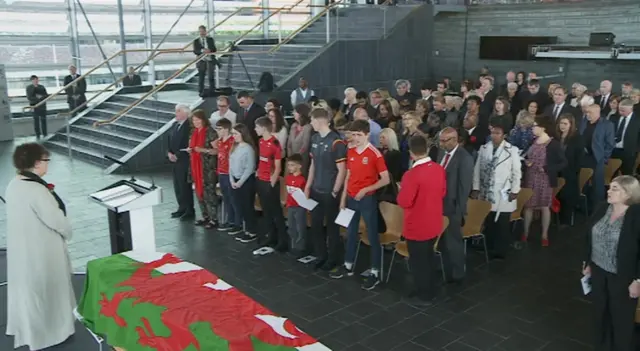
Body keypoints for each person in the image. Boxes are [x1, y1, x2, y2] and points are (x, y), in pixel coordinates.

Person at [5, 143, 75, 350]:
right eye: (46, 160)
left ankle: (30, 330)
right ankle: (53, 332)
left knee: (30, 292)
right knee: (48, 290)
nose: (47, 164)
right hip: (43, 250)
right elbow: (57, 221)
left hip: (24, 249)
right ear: (36, 163)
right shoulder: (36, 190)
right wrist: (68, 231)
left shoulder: (14, 183)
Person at [330, 119, 390, 291]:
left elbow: (385, 179)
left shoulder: (374, 154)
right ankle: (348, 265)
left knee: (372, 235)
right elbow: (348, 176)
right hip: (351, 197)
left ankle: (375, 272)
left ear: (367, 135)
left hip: (366, 199)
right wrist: (343, 198)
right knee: (350, 232)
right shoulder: (351, 150)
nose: (355, 138)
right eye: (353, 134)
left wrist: (366, 190)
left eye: (359, 135)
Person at [583, 175, 640, 351]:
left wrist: (638, 280)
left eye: (615, 188)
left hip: (623, 275)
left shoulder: (636, 216)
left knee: (621, 318)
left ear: (628, 193)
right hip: (599, 270)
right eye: (610, 187)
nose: (609, 190)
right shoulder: (602, 208)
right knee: (600, 314)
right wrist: (587, 262)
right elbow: (588, 235)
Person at [397, 135, 447, 305]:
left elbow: (404, 202)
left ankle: (424, 295)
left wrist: (401, 189)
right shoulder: (438, 169)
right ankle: (429, 289)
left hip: (417, 225)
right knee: (429, 258)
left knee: (418, 262)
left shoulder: (411, 175)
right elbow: (442, 192)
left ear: (411, 153)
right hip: (433, 222)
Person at [472, 118, 521, 259]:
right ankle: (489, 245)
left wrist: (515, 190)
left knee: (502, 222)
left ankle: (501, 249)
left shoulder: (512, 151)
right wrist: (476, 187)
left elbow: (516, 172)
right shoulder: (484, 148)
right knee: (489, 220)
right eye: (492, 132)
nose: (494, 135)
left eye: (498, 133)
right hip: (487, 190)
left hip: (503, 191)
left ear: (504, 135)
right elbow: (477, 170)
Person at [305, 108, 347, 271]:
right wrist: (308, 185)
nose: (311, 123)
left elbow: (342, 169)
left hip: (330, 191)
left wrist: (335, 190)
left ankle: (333, 258)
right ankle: (320, 255)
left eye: (312, 120)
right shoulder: (314, 138)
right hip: (317, 189)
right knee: (316, 225)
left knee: (332, 227)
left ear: (320, 121)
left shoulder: (336, 142)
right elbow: (313, 165)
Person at [521, 115, 566, 247]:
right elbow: (525, 155)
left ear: (543, 127)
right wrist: (526, 162)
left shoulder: (553, 144)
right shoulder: (532, 141)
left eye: (535, 126)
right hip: (530, 176)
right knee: (528, 206)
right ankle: (525, 232)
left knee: (545, 206)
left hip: (545, 178)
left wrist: (547, 168)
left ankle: (544, 234)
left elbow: (563, 162)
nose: (533, 128)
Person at [437, 127, 473, 283]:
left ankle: (458, 271)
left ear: (454, 139)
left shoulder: (464, 158)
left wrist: (459, 211)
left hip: (453, 206)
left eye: (445, 141)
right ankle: (444, 266)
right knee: (442, 240)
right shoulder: (441, 154)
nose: (442, 144)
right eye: (441, 140)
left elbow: (464, 187)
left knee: (454, 241)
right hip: (439, 204)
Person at [250, 117, 288, 252]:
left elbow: (278, 167)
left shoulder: (274, 143)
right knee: (266, 211)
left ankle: (282, 240)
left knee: (276, 212)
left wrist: (272, 182)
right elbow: (262, 160)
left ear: (264, 128)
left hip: (270, 182)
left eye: (257, 127)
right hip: (261, 178)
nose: (255, 130)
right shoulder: (261, 141)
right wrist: (258, 174)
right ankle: (271, 236)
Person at [188, 109, 219, 229]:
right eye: (193, 120)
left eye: (197, 119)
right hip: (196, 166)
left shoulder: (211, 132)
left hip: (207, 168)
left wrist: (203, 150)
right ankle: (205, 216)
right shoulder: (193, 132)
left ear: (203, 120)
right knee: (198, 192)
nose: (195, 122)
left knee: (209, 193)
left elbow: (217, 151)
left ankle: (214, 218)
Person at [229, 124, 258, 239]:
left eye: (235, 133)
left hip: (245, 181)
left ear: (242, 134)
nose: (233, 136)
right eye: (232, 133)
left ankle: (252, 231)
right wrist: (232, 180)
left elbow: (250, 168)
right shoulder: (234, 147)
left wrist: (240, 182)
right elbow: (230, 165)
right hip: (235, 179)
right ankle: (245, 229)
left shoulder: (248, 148)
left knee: (247, 206)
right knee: (240, 206)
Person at [168, 104, 195, 220]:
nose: (176, 113)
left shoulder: (189, 126)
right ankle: (181, 207)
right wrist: (169, 153)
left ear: (185, 113)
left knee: (185, 185)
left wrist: (177, 155)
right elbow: (169, 140)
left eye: (178, 111)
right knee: (177, 185)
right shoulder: (175, 125)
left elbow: (187, 143)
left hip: (184, 160)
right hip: (174, 160)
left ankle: (189, 210)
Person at [215, 118, 241, 234]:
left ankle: (237, 222)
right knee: (226, 198)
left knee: (233, 198)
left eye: (219, 129)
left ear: (226, 129)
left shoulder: (232, 141)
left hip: (230, 173)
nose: (217, 131)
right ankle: (230, 220)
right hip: (221, 172)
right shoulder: (220, 141)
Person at [285, 154, 308, 258]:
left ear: (299, 166)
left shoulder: (302, 180)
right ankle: (293, 245)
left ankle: (301, 247)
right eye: (289, 165)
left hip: (300, 207)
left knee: (300, 227)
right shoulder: (288, 178)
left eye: (292, 165)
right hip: (291, 206)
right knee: (291, 226)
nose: (290, 168)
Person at [193, 25, 217, 97]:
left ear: (205, 32)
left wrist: (209, 50)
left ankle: (212, 91)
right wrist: (202, 51)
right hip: (201, 60)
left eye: (203, 31)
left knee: (211, 77)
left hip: (210, 60)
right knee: (201, 77)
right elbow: (195, 51)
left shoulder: (210, 39)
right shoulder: (196, 41)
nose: (202, 33)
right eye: (200, 31)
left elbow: (214, 49)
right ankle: (201, 92)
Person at [25, 75, 49, 139]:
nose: (36, 81)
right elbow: (29, 97)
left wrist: (41, 97)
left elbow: (46, 95)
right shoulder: (29, 87)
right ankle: (37, 134)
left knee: (43, 120)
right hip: (34, 106)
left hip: (42, 106)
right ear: (32, 80)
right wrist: (38, 98)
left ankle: (45, 133)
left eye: (37, 79)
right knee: (36, 121)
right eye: (34, 80)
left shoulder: (42, 87)